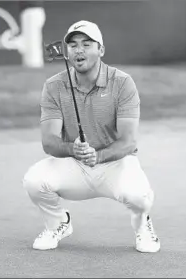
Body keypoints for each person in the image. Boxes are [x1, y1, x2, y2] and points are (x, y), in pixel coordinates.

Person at [22, 20, 160, 253]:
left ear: (101, 50)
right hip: (75, 164)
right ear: (67, 51)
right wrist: (73, 150)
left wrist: (99, 155)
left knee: (140, 197)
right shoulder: (54, 86)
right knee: (34, 180)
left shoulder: (122, 83)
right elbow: (49, 141)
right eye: (73, 45)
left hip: (115, 164)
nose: (79, 50)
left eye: (87, 44)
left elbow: (128, 141)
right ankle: (58, 224)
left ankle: (142, 225)